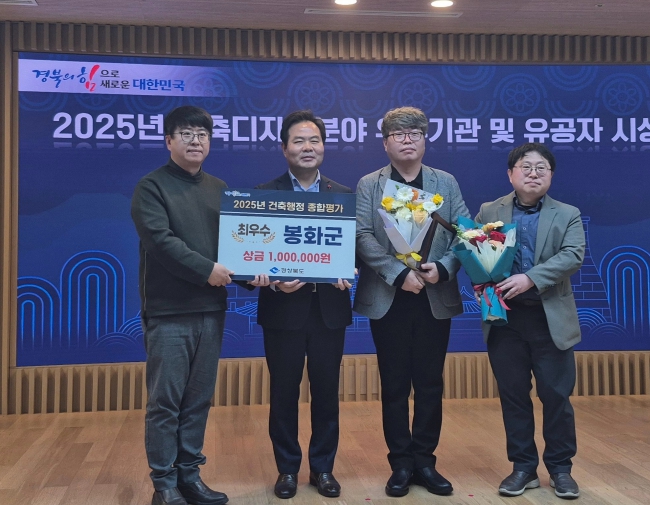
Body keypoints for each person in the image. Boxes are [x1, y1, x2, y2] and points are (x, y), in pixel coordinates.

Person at [131, 105, 268, 505]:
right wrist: (207, 270)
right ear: (168, 141)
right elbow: (161, 242)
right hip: (169, 312)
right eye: (186, 134)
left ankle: (190, 476)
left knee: (198, 400)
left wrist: (254, 274)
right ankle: (164, 484)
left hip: (211, 310)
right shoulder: (151, 187)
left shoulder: (220, 188)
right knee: (165, 403)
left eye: (202, 134)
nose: (196, 141)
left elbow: (236, 246)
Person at [354, 106, 471, 497]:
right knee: (393, 384)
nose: (407, 140)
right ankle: (400, 463)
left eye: (415, 133)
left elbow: (464, 232)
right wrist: (397, 273)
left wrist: (445, 267)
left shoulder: (445, 182)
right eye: (399, 134)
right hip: (389, 295)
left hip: (433, 294)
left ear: (425, 140)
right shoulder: (370, 184)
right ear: (385, 143)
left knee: (430, 383)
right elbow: (362, 236)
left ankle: (425, 461)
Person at [475, 142, 584, 500]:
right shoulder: (489, 210)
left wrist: (530, 278)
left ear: (551, 175)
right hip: (504, 319)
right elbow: (474, 251)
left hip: (549, 318)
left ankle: (561, 469)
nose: (533, 173)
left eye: (541, 168)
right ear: (511, 174)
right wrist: (480, 282)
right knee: (514, 397)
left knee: (556, 397)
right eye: (526, 167)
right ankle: (523, 467)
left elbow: (572, 255)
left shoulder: (567, 214)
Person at [254, 110, 353, 500]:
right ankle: (287, 470)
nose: (307, 147)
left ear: (323, 147)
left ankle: (323, 468)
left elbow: (357, 250)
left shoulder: (343, 194)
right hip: (283, 311)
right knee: (283, 394)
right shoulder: (264, 194)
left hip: (329, 311)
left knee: (327, 393)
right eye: (298, 141)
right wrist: (270, 278)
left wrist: (350, 269)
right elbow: (247, 258)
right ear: (284, 148)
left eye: (314, 140)